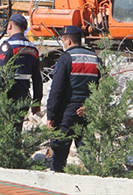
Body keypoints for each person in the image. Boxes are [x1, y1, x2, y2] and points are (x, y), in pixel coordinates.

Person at [46, 25, 101, 173]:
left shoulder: (66, 58)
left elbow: (56, 90)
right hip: (87, 111)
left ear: (68, 41)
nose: (63, 44)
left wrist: (51, 116)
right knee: (87, 151)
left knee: (60, 152)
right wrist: (91, 106)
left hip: (67, 111)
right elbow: (102, 87)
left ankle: (57, 182)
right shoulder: (95, 58)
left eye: (63, 41)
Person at [0, 14, 42, 116]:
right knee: (17, 128)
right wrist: (36, 101)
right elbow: (37, 79)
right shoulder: (33, 49)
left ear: (9, 26)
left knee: (3, 129)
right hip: (24, 98)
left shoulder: (8, 46)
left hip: (8, 97)